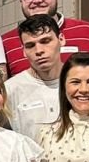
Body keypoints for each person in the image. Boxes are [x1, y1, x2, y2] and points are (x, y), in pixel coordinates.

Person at [4, 14, 64, 144]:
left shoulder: (80, 82)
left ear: (61, 39)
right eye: (30, 45)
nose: (39, 50)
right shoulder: (10, 89)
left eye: (45, 41)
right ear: (23, 51)